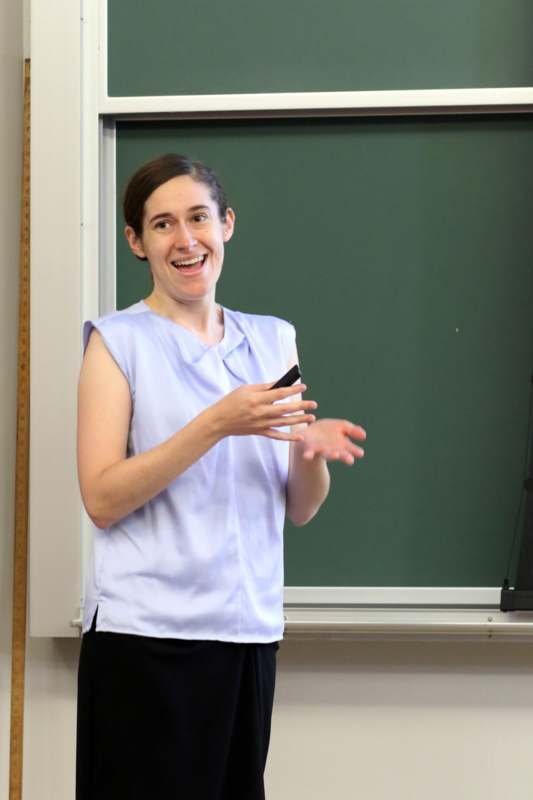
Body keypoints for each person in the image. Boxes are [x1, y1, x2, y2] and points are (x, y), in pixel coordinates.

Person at [76, 153, 366, 800]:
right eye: (162, 224)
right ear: (136, 241)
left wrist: (309, 453)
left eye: (199, 218)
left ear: (226, 224)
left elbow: (298, 508)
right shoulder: (116, 343)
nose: (185, 240)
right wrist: (215, 422)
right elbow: (100, 498)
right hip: (146, 637)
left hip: (246, 632)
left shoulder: (271, 341)